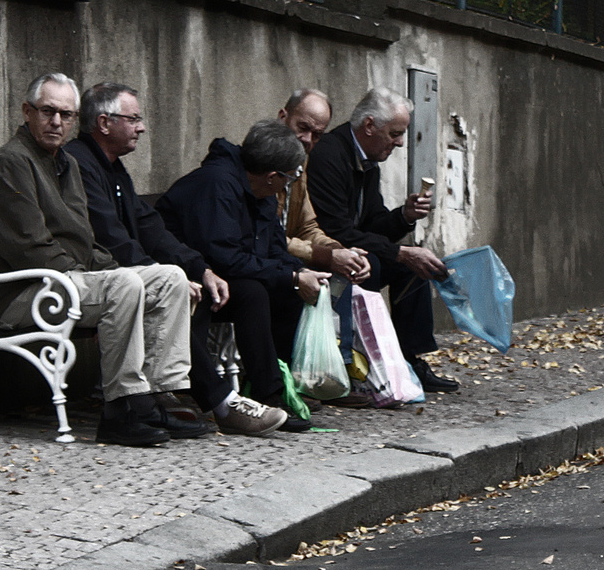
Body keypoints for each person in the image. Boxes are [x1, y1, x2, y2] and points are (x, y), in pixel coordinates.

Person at [0, 73, 213, 448]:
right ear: (27, 111)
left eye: (66, 115)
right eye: (48, 111)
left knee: (169, 278)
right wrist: (104, 277)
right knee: (124, 285)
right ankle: (122, 408)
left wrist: (115, 269)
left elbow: (84, 241)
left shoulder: (64, 163)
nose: (57, 122)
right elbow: (30, 248)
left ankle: (160, 396)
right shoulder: (9, 164)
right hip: (16, 293)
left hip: (60, 281)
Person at [64, 82, 289, 438]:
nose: (141, 126)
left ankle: (264, 395)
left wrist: (200, 269)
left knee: (242, 292)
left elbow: (148, 225)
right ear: (104, 123)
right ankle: (218, 403)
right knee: (180, 291)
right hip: (98, 277)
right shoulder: (80, 162)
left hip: (131, 274)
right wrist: (163, 273)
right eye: (133, 118)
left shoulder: (113, 166)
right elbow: (109, 236)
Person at [155, 120, 330, 425]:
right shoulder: (218, 185)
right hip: (189, 275)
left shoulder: (260, 191)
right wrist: (290, 276)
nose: (289, 185)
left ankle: (273, 392)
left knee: (285, 292)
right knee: (255, 291)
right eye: (290, 178)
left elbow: (275, 249)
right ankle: (246, 397)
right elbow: (224, 258)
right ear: (273, 177)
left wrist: (299, 274)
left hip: (221, 276)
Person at [305, 87, 459, 393]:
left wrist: (404, 216)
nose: (400, 143)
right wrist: (400, 252)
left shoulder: (368, 159)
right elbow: (336, 230)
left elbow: (373, 225)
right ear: (369, 126)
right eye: (395, 134)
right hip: (324, 252)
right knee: (373, 263)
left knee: (411, 267)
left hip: (350, 247)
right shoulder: (329, 156)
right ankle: (363, 361)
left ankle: (408, 357)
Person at [275, 89, 374, 407]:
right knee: (301, 278)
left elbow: (308, 227)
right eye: (302, 128)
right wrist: (327, 255)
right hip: (268, 257)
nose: (307, 140)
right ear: (283, 117)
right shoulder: (266, 161)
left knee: (347, 271)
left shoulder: (299, 166)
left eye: (317, 135)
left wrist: (342, 252)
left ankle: (335, 372)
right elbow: (269, 235)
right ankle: (290, 379)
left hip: (287, 253)